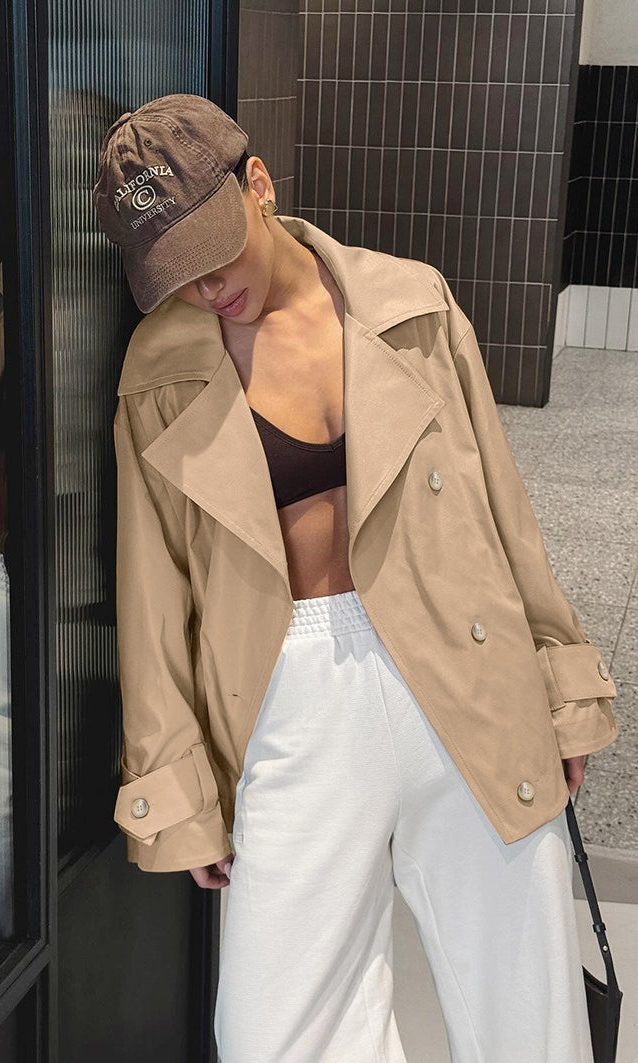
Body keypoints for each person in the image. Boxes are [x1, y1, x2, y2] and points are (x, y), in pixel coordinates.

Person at [93, 95, 618, 1063]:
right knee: (275, 1033)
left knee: (526, 1008)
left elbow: (499, 507)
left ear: (257, 184)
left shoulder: (411, 304)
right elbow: (153, 596)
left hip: (463, 662)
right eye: (173, 270)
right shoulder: (157, 371)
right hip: (287, 695)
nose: (205, 287)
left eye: (212, 250)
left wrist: (555, 680)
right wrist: (180, 787)